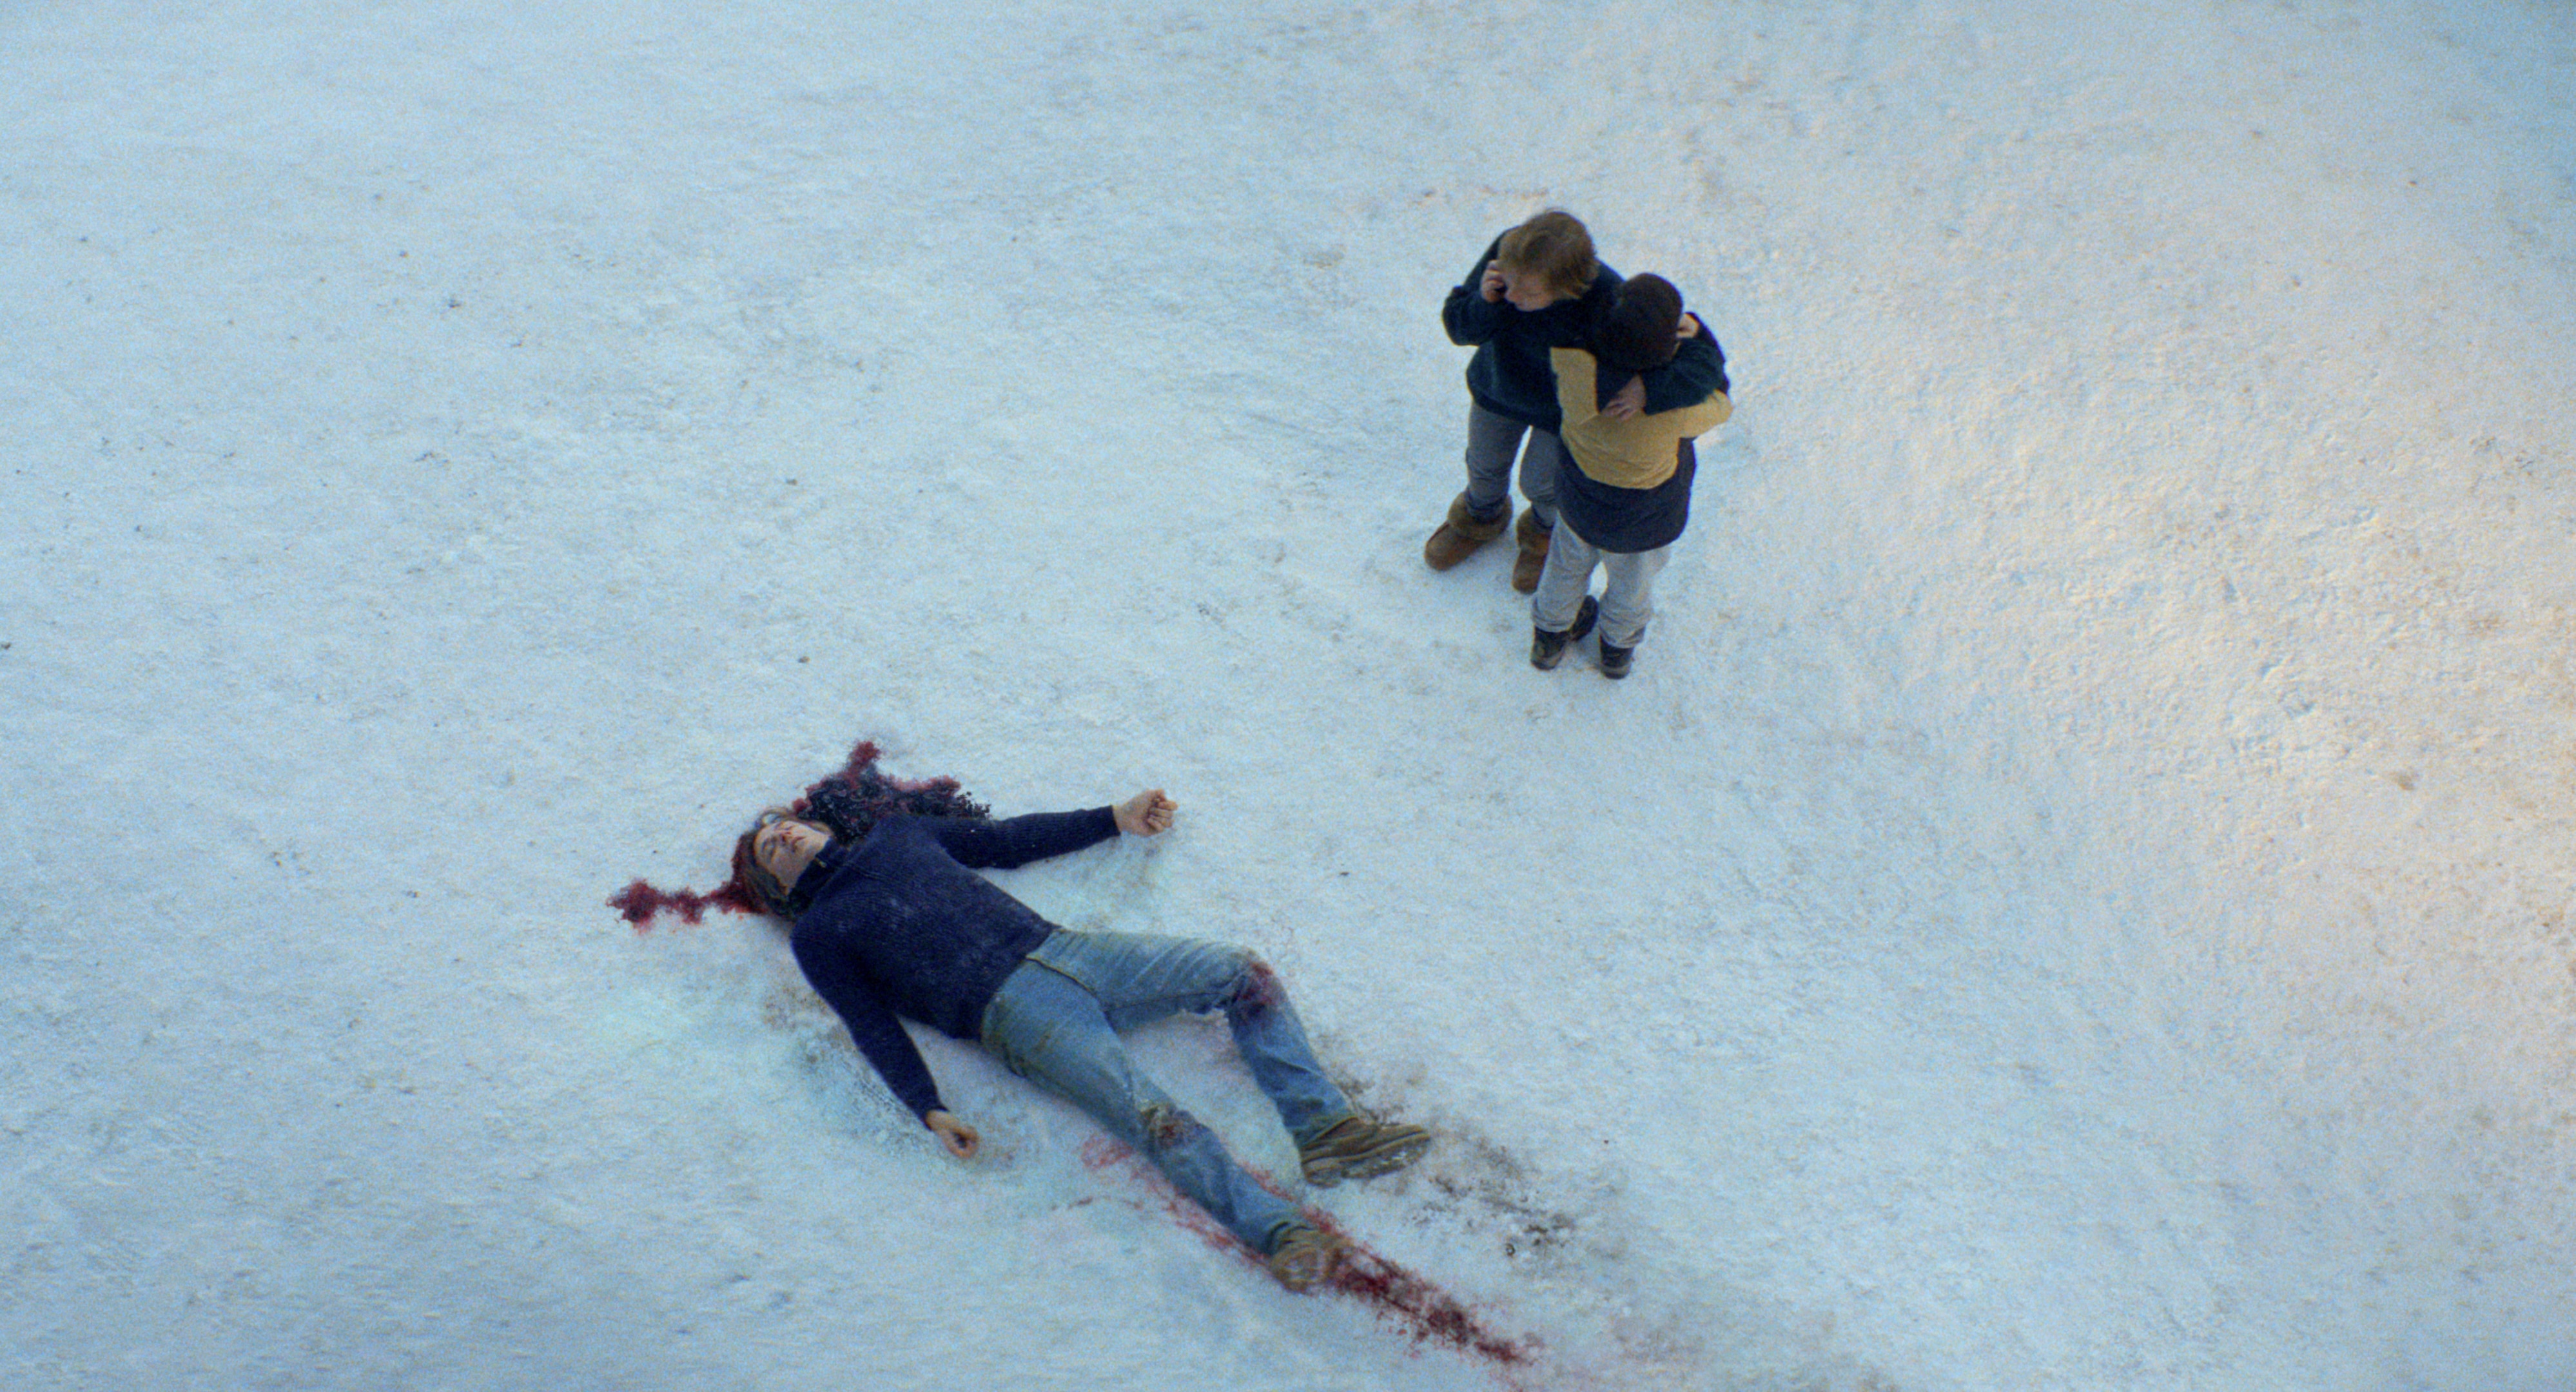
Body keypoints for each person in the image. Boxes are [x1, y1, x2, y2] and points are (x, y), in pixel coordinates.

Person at [733, 784, 1431, 1293]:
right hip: (1015, 1020)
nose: (787, 835)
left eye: (787, 825)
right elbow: (871, 1028)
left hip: (1072, 953)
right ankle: (1283, 1234)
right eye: (772, 848)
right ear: (779, 886)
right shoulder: (821, 936)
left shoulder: (899, 836)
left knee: (1239, 972)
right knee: (1157, 1119)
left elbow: (1007, 842)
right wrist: (927, 1106)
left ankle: (1328, 1130)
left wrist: (1113, 818)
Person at [1429, 209, 1730, 592]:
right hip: (1497, 387)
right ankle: (1479, 518)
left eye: (1530, 293)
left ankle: (1542, 535)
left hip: (1562, 414)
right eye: (1509, 284)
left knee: (1543, 484)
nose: (1513, 297)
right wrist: (1484, 303)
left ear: (1567, 288)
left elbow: (1687, 367)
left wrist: (1648, 390)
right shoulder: (1511, 258)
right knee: (1484, 464)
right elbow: (1460, 328)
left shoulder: (1608, 298)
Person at [1528, 273, 1733, 679]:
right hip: (1644, 521)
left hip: (1578, 503)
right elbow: (1720, 397)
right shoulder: (1675, 410)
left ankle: (1549, 637)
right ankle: (1616, 651)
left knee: (1566, 565)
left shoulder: (1572, 371)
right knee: (1631, 584)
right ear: (1667, 348)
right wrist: (1698, 343)